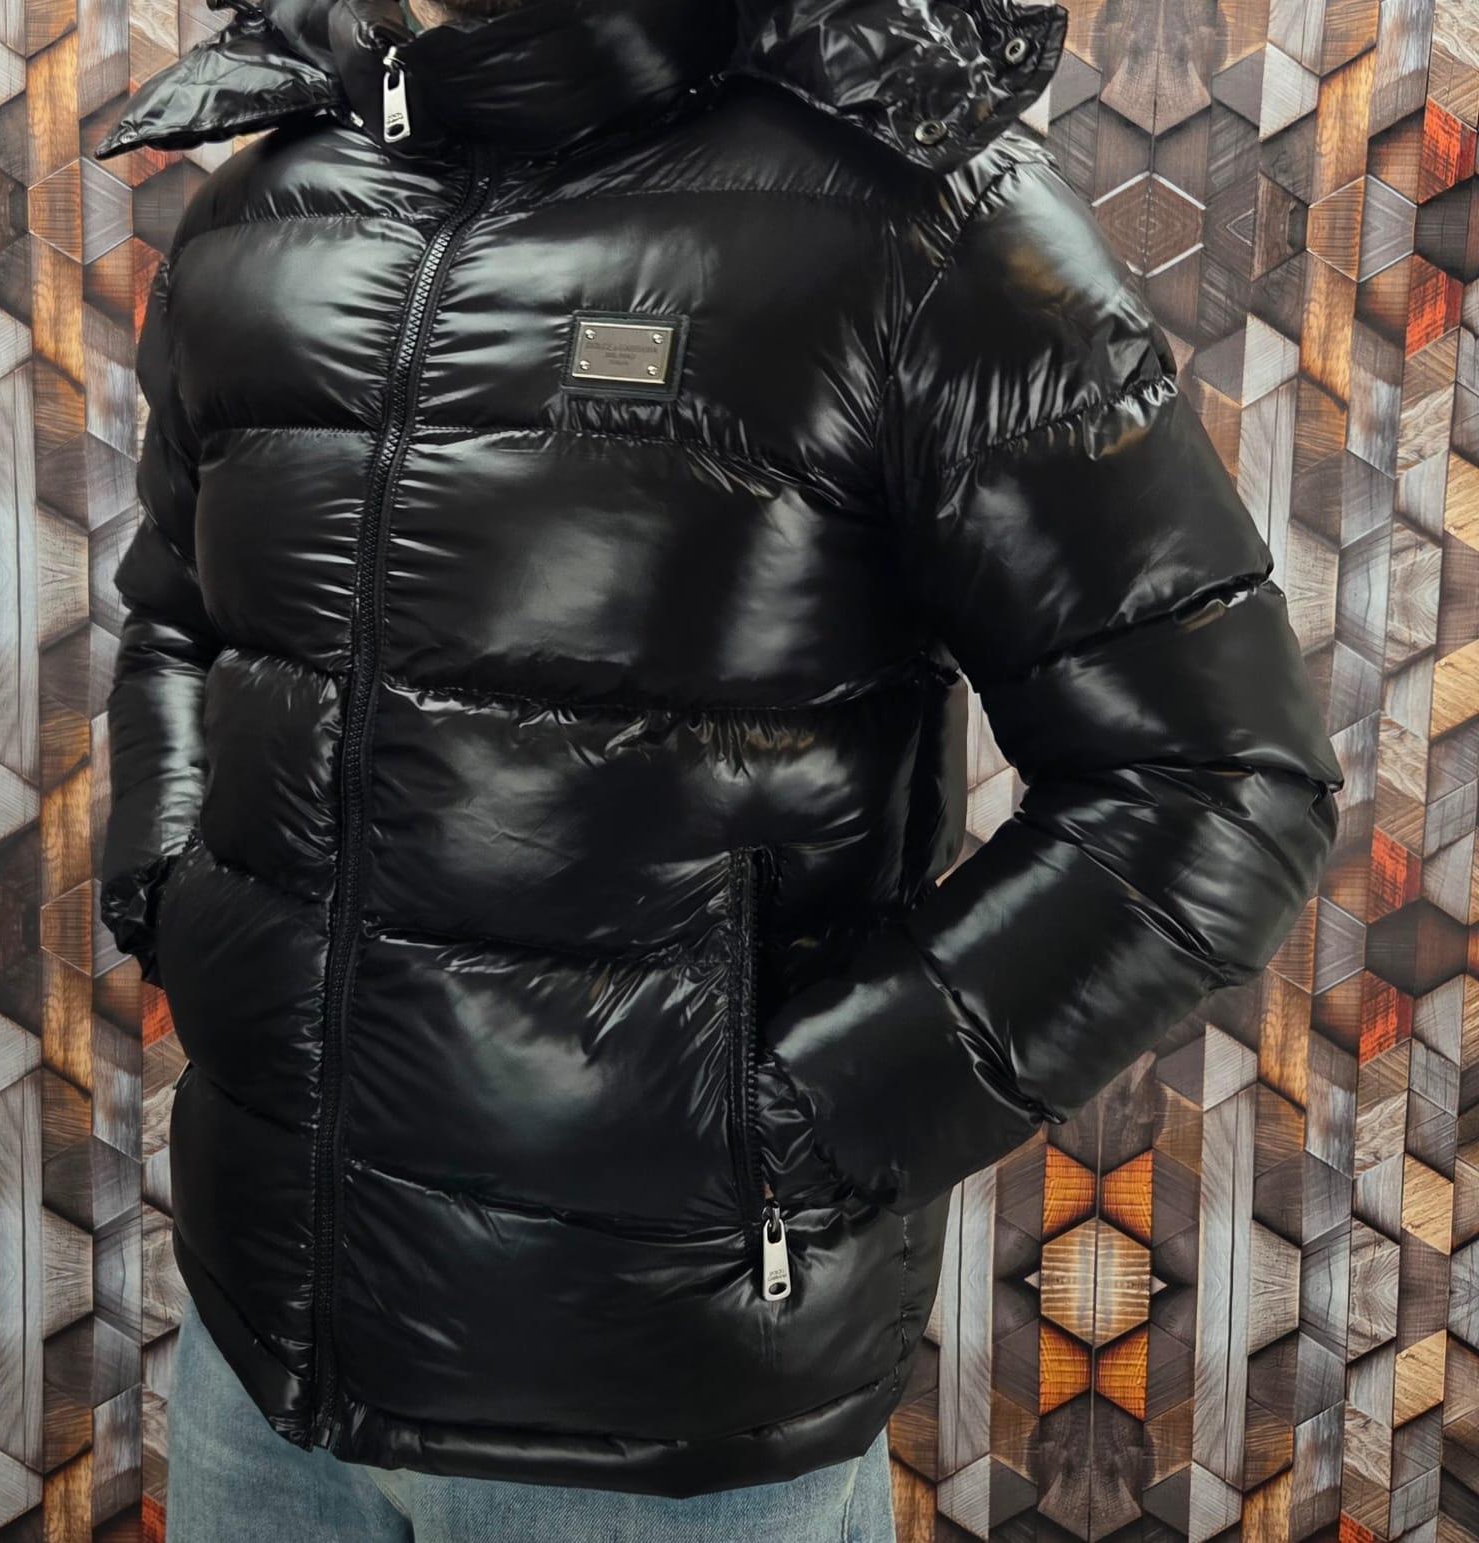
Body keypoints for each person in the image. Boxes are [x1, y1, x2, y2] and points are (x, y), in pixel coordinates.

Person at [95, 0, 1343, 1537]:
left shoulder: (911, 222)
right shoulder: (262, 210)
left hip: (666, 1426)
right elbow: (178, 613)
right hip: (258, 1372)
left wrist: (796, 1125)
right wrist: (164, 888)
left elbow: (1218, 776)